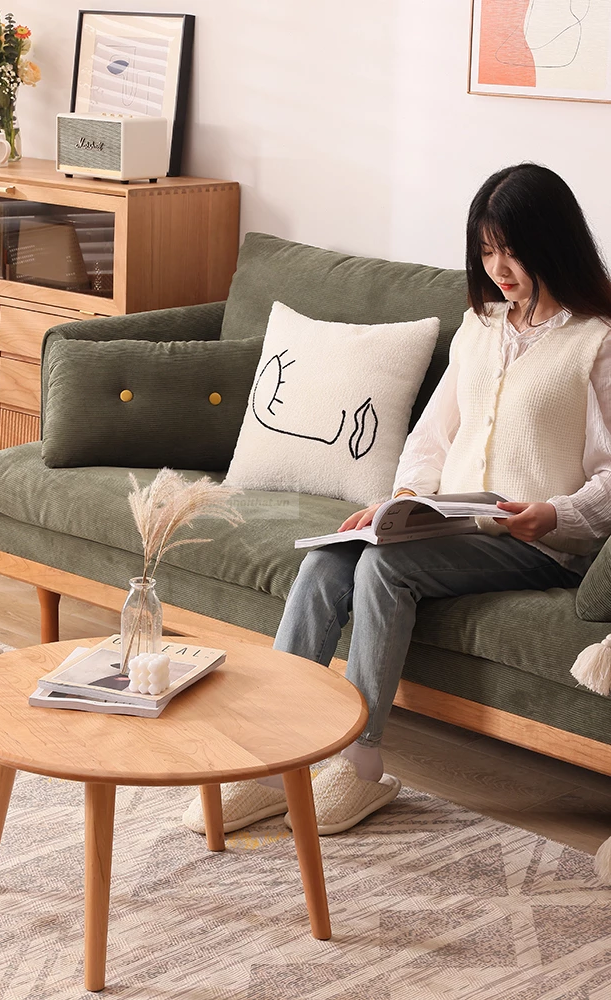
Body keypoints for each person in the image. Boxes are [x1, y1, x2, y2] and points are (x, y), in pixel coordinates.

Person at [181, 162, 611, 839]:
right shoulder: (480, 326)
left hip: (540, 544)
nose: (498, 268)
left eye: (512, 250)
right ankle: (272, 758)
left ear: (551, 243)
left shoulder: (597, 341)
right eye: (485, 251)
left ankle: (360, 764)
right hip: (452, 524)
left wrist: (556, 514)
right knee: (328, 561)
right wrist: (403, 502)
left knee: (386, 568)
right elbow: (430, 440)